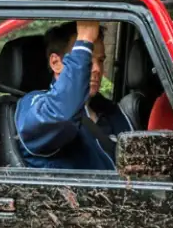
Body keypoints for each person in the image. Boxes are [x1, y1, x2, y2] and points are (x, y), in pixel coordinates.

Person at [16, 21, 133, 170]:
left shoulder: (109, 110)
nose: (97, 69)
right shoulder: (35, 105)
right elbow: (62, 116)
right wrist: (84, 41)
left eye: (101, 61)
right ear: (55, 62)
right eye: (87, 59)